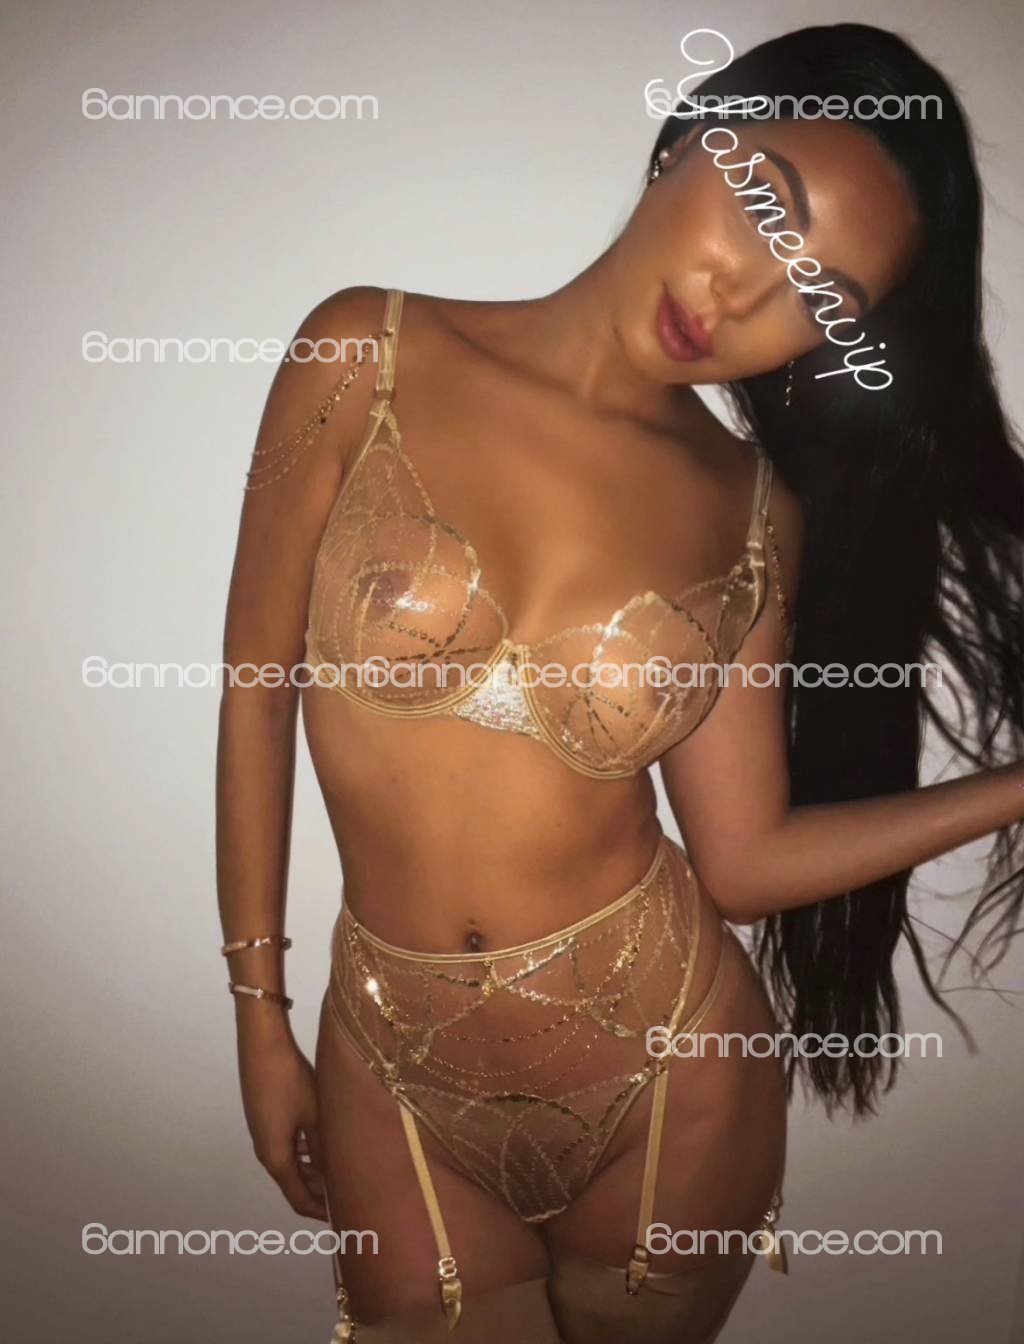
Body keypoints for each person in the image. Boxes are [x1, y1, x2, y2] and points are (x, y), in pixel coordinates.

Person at [216, 22, 1024, 1343]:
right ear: (693, 135)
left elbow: (744, 863)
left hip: (673, 1074)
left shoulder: (754, 513)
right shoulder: (365, 351)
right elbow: (254, 688)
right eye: (765, 204)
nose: (747, 295)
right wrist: (259, 1018)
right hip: (391, 1060)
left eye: (821, 300)